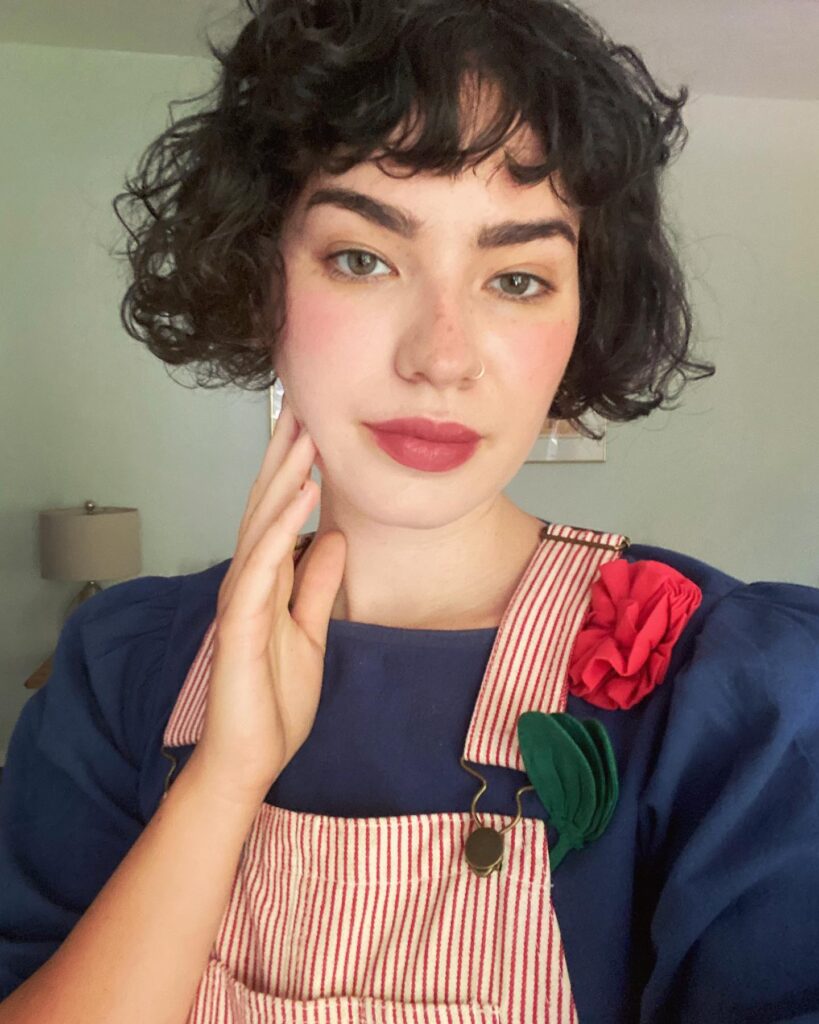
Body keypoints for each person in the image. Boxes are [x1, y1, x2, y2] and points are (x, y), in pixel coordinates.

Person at [1, 0, 818, 1021]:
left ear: (583, 319)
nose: (441, 355)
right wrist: (222, 782)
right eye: (363, 257)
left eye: (517, 277)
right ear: (260, 278)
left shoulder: (739, 700)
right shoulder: (119, 668)